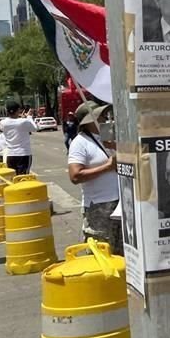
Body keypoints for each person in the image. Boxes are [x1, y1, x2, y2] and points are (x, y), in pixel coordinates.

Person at [68, 102, 122, 254]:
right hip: (99, 206)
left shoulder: (108, 138)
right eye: (101, 115)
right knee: (101, 251)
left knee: (120, 252)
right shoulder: (80, 143)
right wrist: (107, 167)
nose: (106, 118)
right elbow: (75, 175)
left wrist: (116, 147)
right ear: (89, 120)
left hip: (120, 202)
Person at [0, 101, 36, 175]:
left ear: (7, 111)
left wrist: (21, 118)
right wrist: (29, 117)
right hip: (23, 154)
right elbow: (34, 128)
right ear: (18, 110)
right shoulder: (23, 122)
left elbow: (13, 123)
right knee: (23, 178)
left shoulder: (3, 123)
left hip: (10, 154)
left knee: (12, 177)